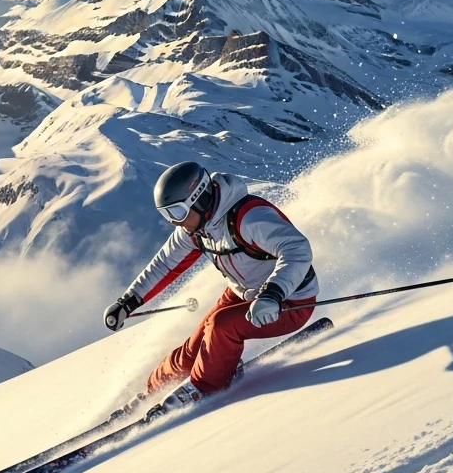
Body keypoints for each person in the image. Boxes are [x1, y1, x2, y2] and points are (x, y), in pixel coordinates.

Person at [103, 162, 318, 398]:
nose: (174, 222)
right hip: (243, 292)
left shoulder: (249, 218)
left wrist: (273, 294)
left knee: (221, 326)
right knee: (193, 348)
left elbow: (298, 249)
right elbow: (164, 265)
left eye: (177, 212)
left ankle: (202, 389)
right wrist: (128, 302)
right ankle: (153, 391)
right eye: (167, 215)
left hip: (291, 301)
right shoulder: (196, 229)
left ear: (200, 199)